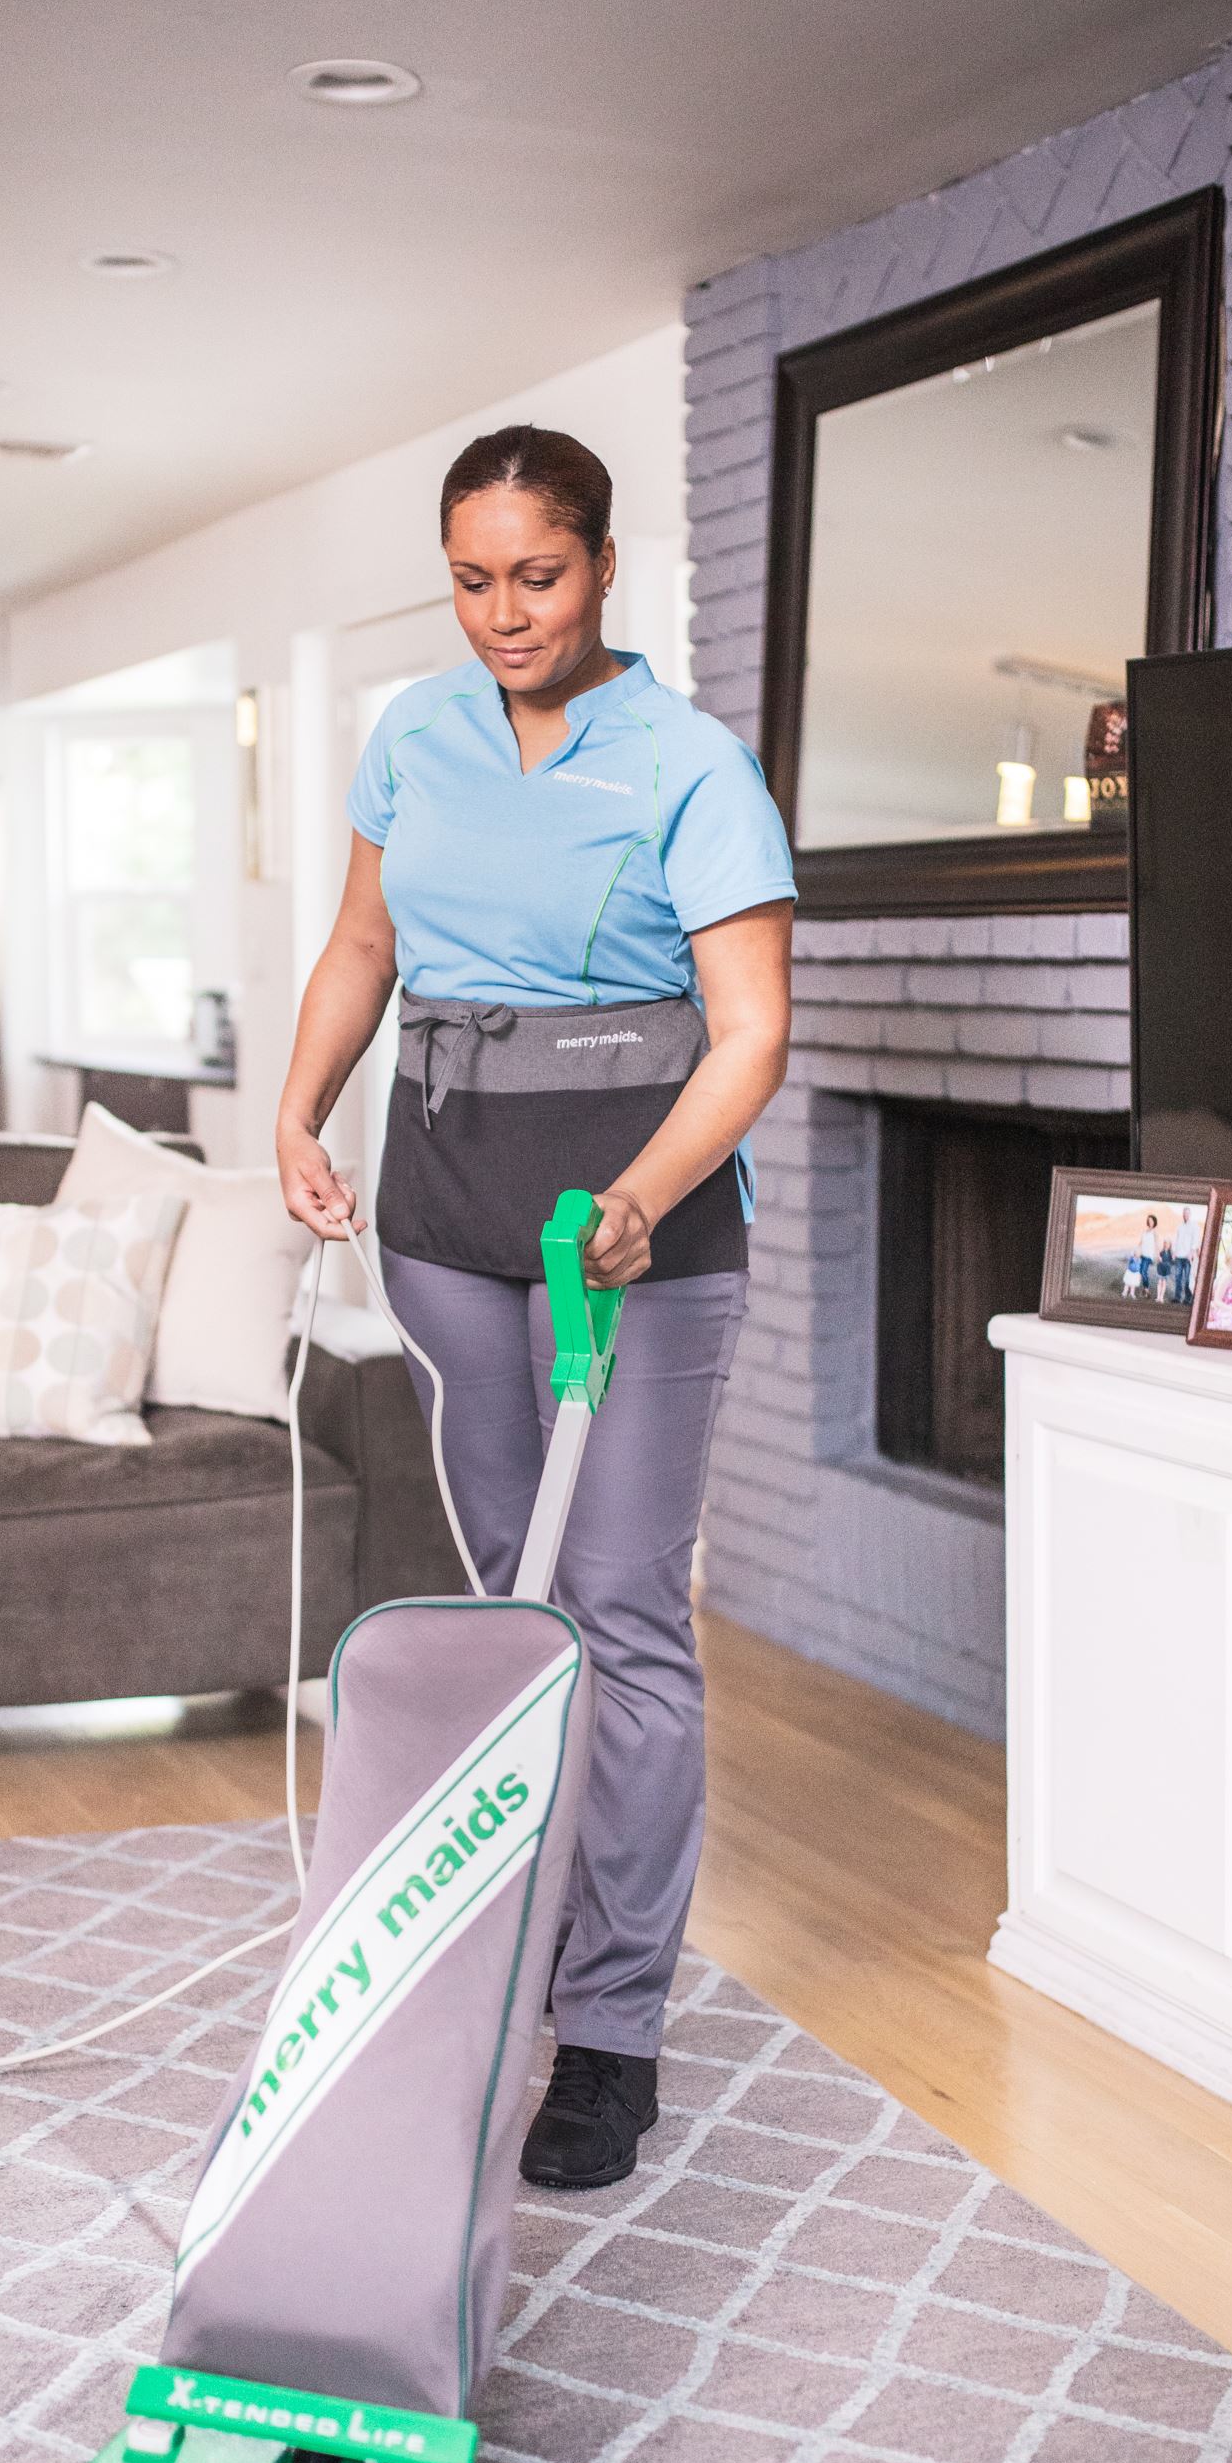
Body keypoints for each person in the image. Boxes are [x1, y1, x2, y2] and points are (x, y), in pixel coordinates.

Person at [276, 422, 795, 2190]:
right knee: (519, 1610)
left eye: (541, 574)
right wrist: (297, 1108)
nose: (506, 611)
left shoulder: (690, 763)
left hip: (633, 1214)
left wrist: (649, 1193)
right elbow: (363, 950)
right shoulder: (411, 736)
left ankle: (617, 2035)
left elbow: (750, 1033)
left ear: (604, 564)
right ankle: (512, 1970)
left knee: (625, 1614)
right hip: (448, 1200)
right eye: (476, 578)